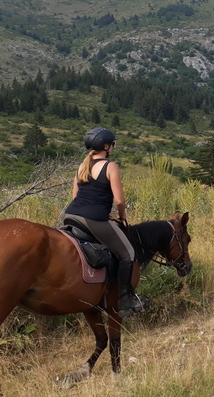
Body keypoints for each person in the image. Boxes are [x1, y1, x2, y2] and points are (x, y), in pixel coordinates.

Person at [64, 127, 150, 318]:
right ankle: (126, 300)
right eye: (112, 144)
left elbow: (75, 195)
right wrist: (122, 216)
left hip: (71, 216)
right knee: (129, 252)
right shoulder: (110, 166)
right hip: (93, 219)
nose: (112, 147)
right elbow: (119, 200)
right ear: (106, 146)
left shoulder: (82, 166)